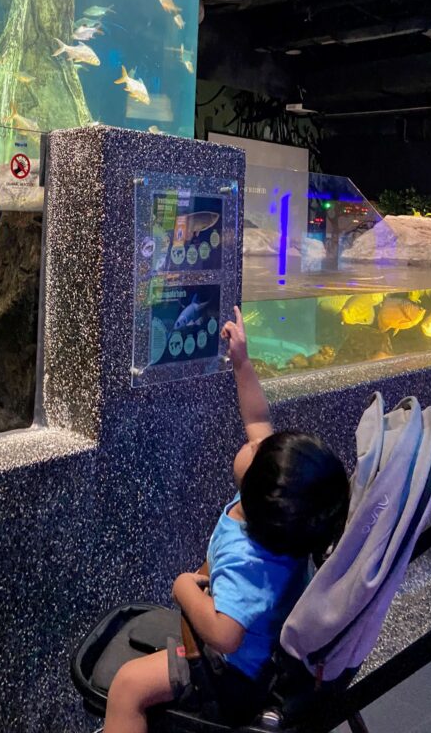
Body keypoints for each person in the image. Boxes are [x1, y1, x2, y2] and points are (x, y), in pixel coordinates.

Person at [103, 306, 350, 733]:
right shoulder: (280, 514)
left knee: (127, 686)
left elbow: (225, 635)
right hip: (246, 647)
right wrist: (242, 363)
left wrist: (182, 587)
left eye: (258, 452)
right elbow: (257, 419)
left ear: (258, 494)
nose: (255, 442)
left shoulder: (249, 560)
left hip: (228, 675)